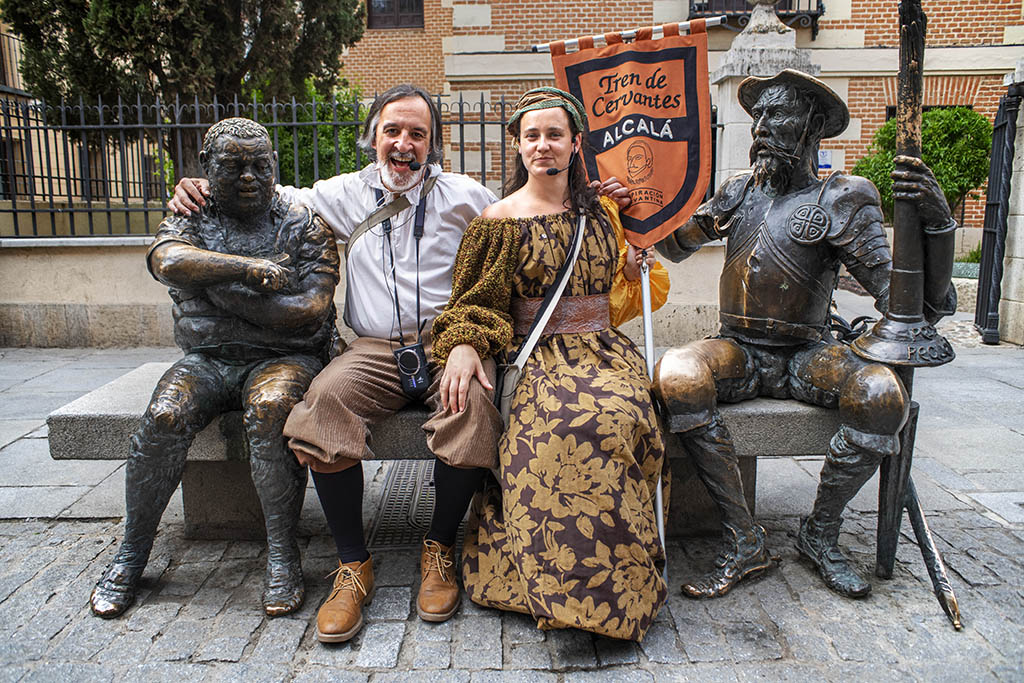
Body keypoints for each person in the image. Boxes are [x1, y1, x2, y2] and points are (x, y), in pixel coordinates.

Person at [169, 85, 503, 642]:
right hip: (374, 348)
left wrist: (474, 342)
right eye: (392, 130)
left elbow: (512, 249)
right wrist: (202, 185)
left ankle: (439, 548)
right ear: (372, 136)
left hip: (448, 341)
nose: (403, 144)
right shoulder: (341, 194)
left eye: (417, 134)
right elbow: (266, 194)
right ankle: (354, 565)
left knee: (469, 409)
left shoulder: (470, 198)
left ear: (433, 144)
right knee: (321, 407)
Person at [653, 69, 957, 599]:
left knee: (883, 392)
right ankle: (744, 538)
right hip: (739, 349)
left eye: (777, 115)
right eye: (758, 116)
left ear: (813, 124)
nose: (761, 127)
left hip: (807, 353)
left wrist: (938, 225)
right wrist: (653, 206)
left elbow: (914, 303)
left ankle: (820, 534)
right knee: (677, 373)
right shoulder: (737, 192)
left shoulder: (841, 198)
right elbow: (673, 247)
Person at [430, 87, 671, 641]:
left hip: (605, 352)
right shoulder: (498, 221)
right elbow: (471, 302)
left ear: (575, 143)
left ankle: (621, 585)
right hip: (536, 356)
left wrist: (635, 268)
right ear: (517, 145)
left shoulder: (605, 213)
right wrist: (464, 342)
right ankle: (557, 587)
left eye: (554, 135)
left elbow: (622, 296)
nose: (543, 145)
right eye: (532, 136)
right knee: (563, 426)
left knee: (621, 418)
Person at [91, 117, 340, 619]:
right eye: (232, 166)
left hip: (286, 358)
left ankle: (282, 555)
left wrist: (211, 287)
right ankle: (132, 552)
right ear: (207, 169)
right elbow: (166, 260)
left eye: (259, 165)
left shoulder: (303, 223)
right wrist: (245, 270)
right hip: (207, 359)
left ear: (274, 167)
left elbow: (307, 311)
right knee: (163, 415)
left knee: (271, 410)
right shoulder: (192, 215)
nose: (248, 176)